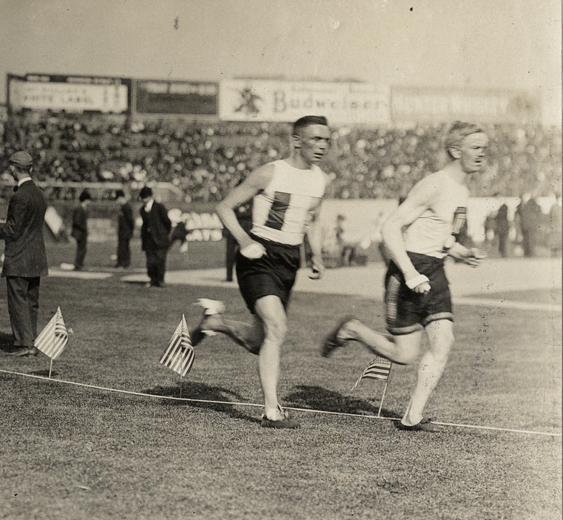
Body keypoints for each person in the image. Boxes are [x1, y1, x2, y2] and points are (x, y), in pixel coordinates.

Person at [320, 121, 489, 432]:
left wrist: (461, 251)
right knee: (404, 354)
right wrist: (410, 274)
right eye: (476, 147)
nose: (482, 153)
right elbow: (390, 229)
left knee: (443, 342)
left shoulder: (462, 190)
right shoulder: (434, 185)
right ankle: (353, 329)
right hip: (407, 270)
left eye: (484, 148)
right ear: (455, 150)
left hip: (435, 271)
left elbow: (441, 236)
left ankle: (412, 416)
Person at [191, 115, 330, 429]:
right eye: (315, 139)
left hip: (290, 260)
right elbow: (224, 207)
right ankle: (271, 411)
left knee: (259, 340)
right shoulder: (271, 172)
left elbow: (314, 219)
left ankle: (215, 322)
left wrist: (317, 255)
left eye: (326, 140)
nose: (322, 146)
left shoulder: (321, 179)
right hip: (259, 256)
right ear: (297, 141)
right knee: (277, 327)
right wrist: (243, 241)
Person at [0, 151, 49, 357]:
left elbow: (13, 230)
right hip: (36, 257)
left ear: (13, 168)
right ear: (30, 168)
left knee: (18, 301)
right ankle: (31, 340)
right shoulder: (39, 194)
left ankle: (24, 343)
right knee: (31, 301)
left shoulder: (19, 196)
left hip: (19, 257)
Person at [139, 186, 171, 288]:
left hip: (160, 239)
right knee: (150, 261)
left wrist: (162, 234)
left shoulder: (159, 207)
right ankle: (153, 279)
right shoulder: (142, 210)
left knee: (160, 260)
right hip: (149, 240)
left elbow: (167, 222)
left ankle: (160, 280)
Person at [115, 188, 135, 269]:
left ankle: (124, 263)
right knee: (121, 247)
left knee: (124, 247)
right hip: (122, 231)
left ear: (120, 197)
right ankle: (121, 262)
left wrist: (131, 230)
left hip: (126, 231)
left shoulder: (126, 207)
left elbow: (130, 220)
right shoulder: (123, 207)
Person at [71, 189, 91, 271]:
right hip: (80, 232)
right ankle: (78, 265)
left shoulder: (81, 208)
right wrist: (84, 228)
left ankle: (79, 264)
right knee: (81, 249)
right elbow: (77, 221)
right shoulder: (80, 208)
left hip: (80, 231)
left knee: (82, 248)